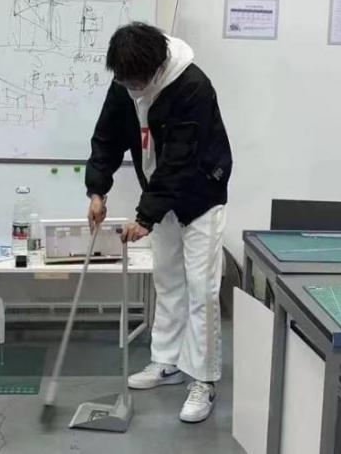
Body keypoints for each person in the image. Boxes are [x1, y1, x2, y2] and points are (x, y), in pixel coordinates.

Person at [85, 22, 232, 423]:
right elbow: (106, 138)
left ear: (157, 66)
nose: (132, 88)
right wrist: (97, 191)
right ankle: (167, 362)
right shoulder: (125, 83)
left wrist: (144, 216)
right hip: (159, 193)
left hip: (201, 195)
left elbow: (181, 160)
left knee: (201, 289)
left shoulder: (192, 86)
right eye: (125, 80)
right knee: (167, 280)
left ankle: (203, 380)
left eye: (137, 81)